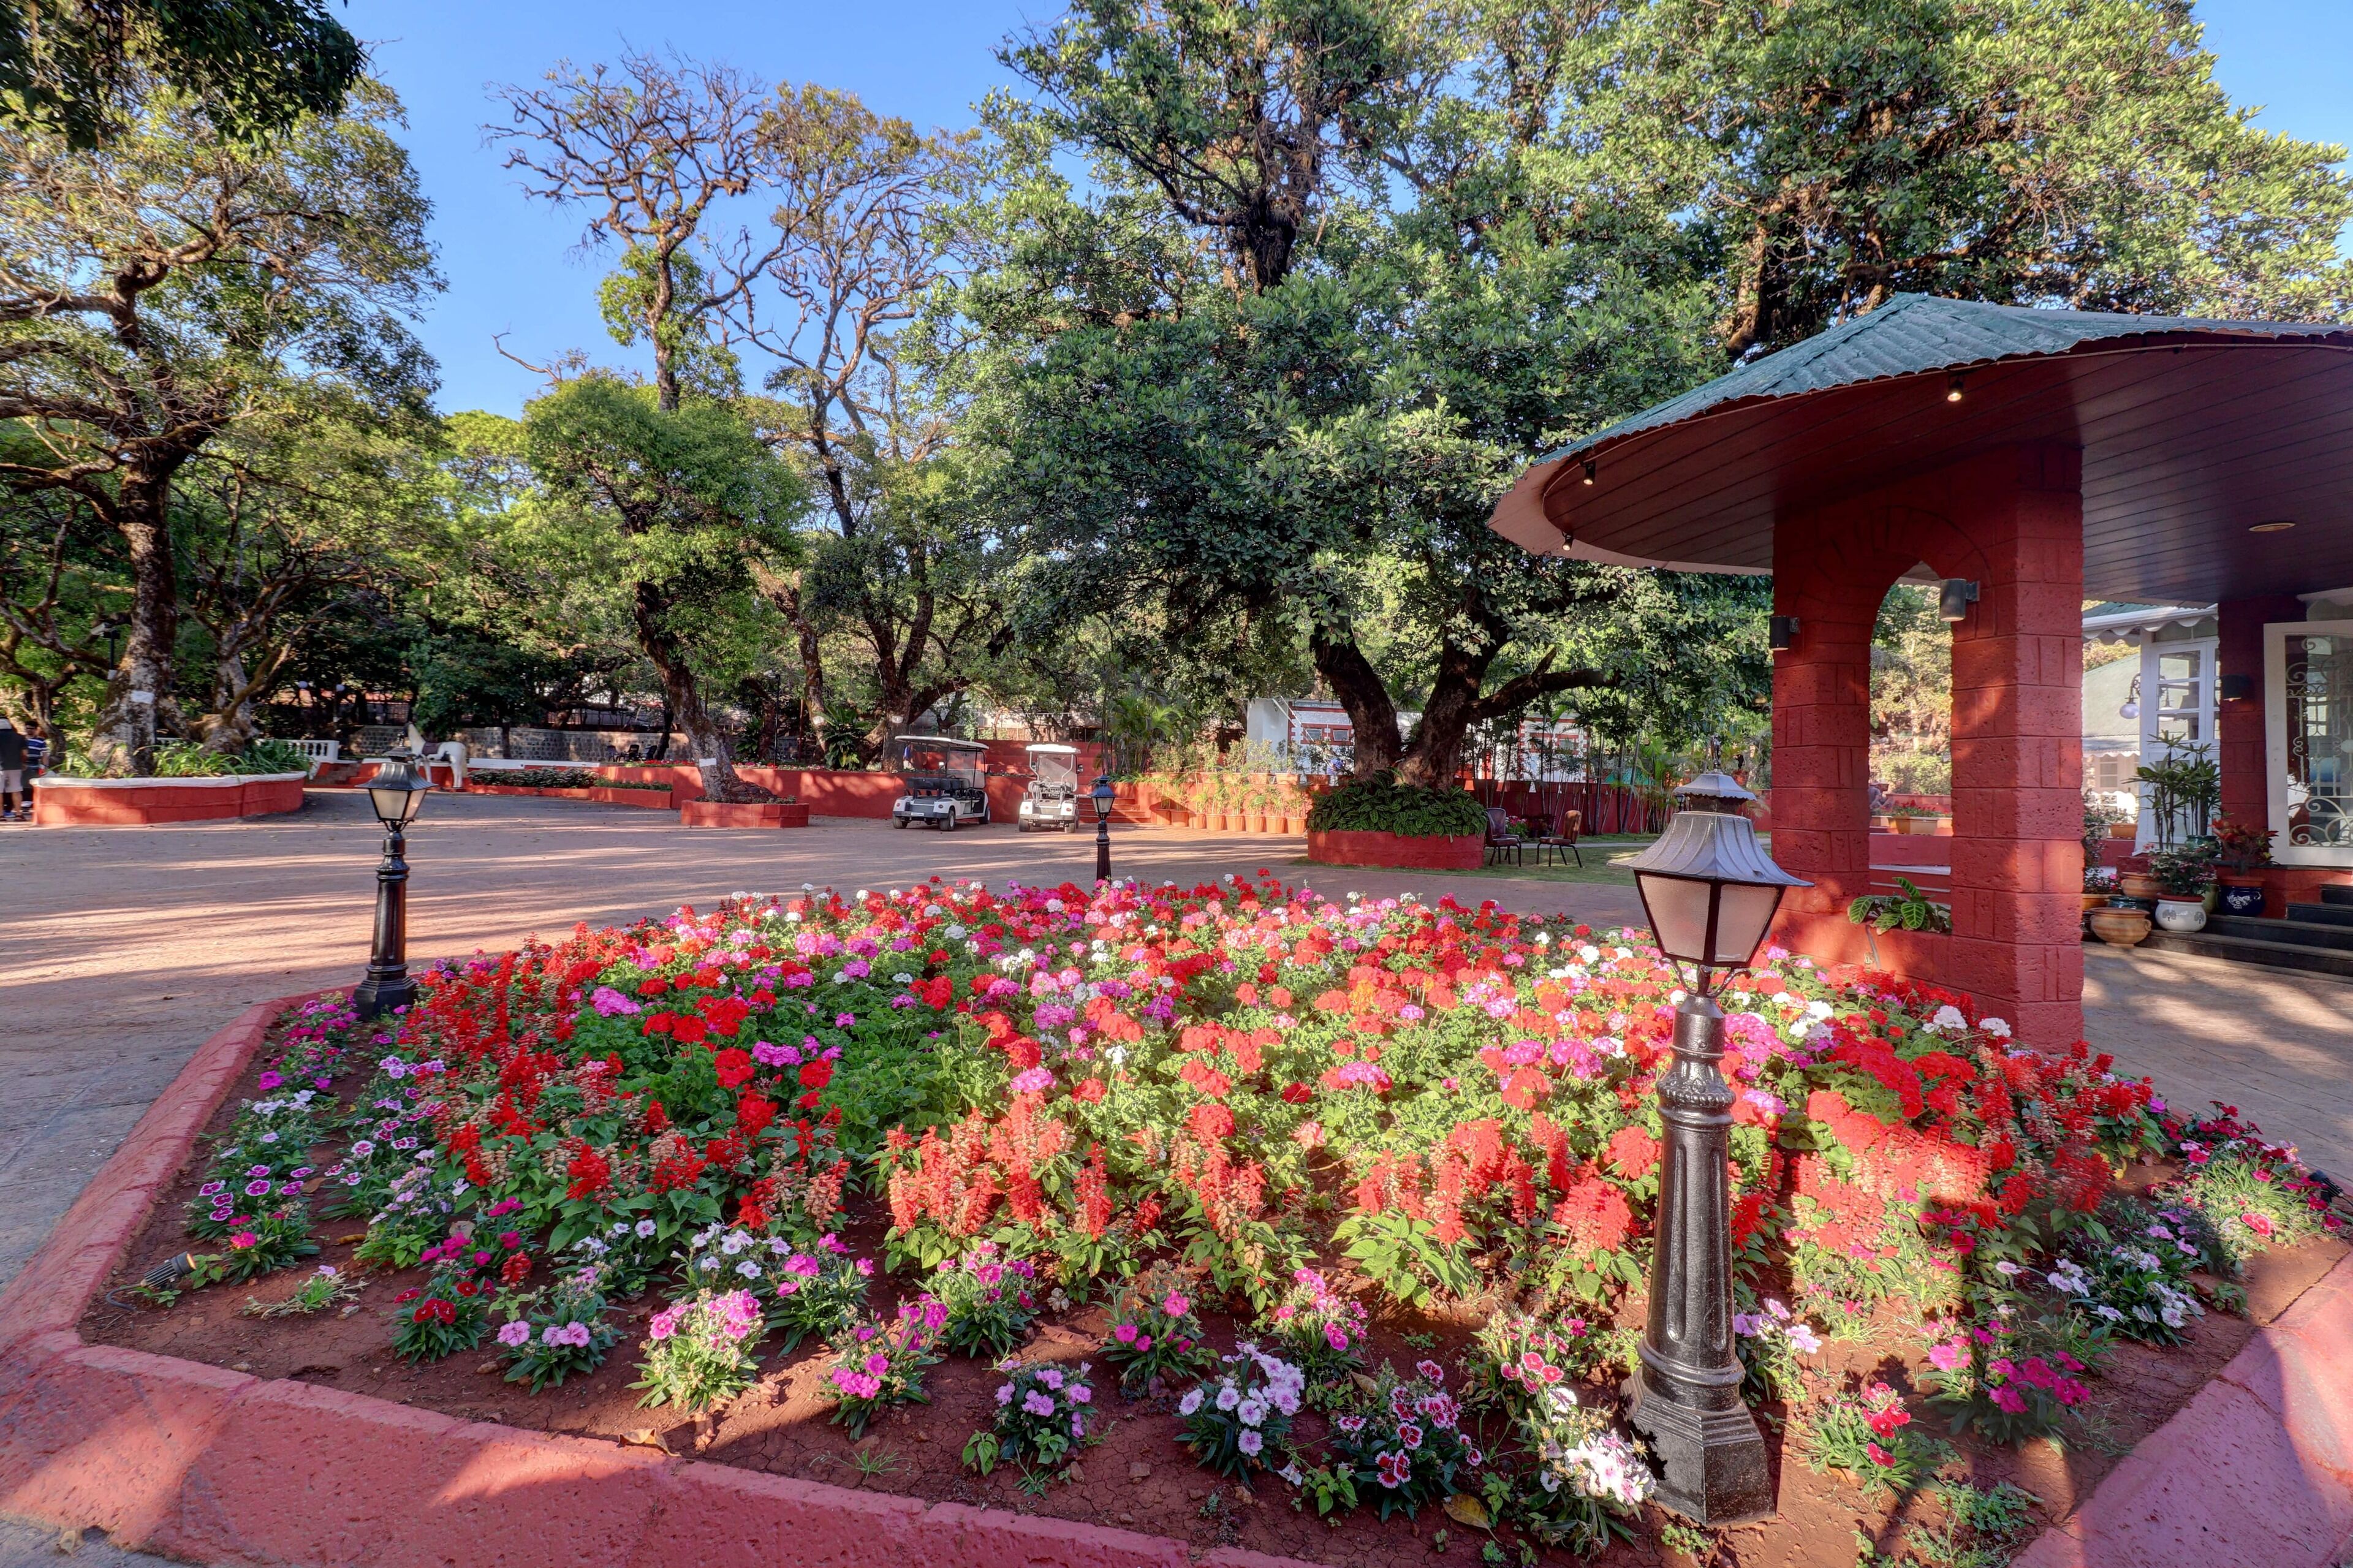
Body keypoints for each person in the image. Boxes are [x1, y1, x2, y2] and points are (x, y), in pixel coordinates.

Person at [0, 718, 26, 821]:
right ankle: (19, 814)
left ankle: (1, 815)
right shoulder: (20, 737)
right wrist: (22, 763)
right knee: (16, 790)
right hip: (15, 766)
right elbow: (25, 753)